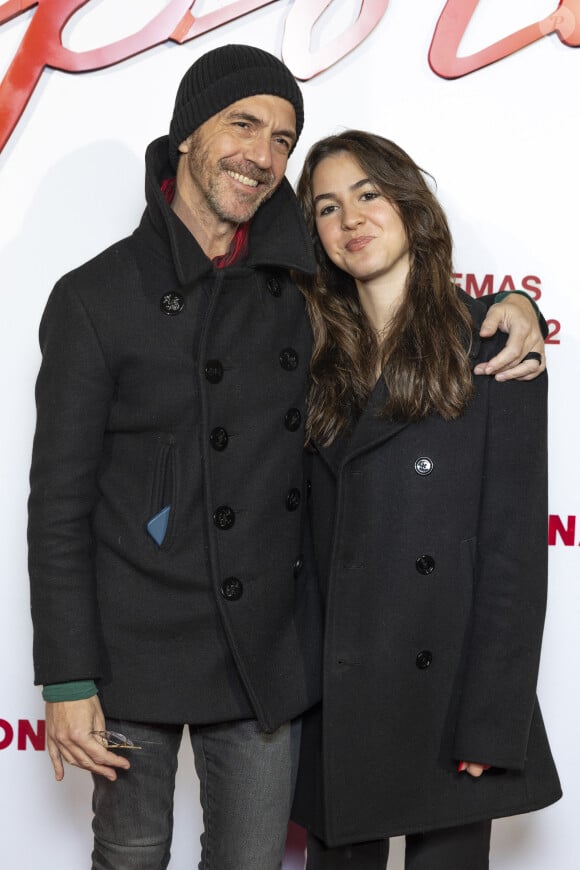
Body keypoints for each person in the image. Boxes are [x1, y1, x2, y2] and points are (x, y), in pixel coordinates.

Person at [27, 45, 545, 870]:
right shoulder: (93, 297)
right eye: (244, 124)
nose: (264, 154)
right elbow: (56, 506)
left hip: (265, 661)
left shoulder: (298, 289)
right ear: (188, 134)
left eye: (282, 139)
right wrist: (65, 677)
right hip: (133, 650)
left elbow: (405, 307)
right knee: (127, 855)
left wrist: (510, 307)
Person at [290, 130, 561, 870]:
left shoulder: (494, 347)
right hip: (334, 695)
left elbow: (511, 554)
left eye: (369, 194)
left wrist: (492, 721)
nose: (352, 219)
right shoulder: (306, 352)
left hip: (445, 701)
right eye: (326, 207)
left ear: (410, 204)